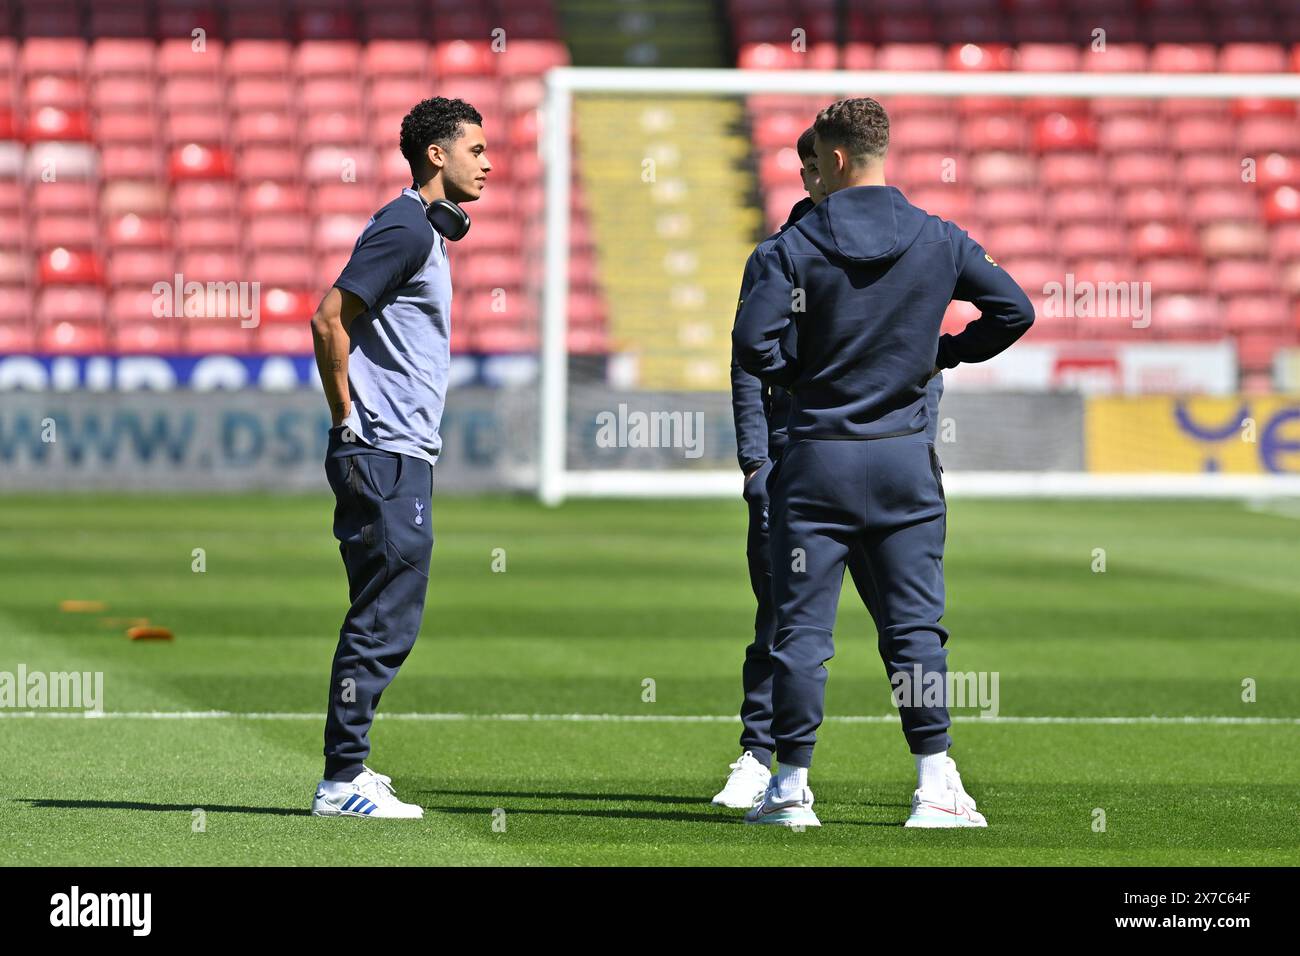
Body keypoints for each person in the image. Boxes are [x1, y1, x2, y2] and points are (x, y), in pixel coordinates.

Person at [733, 97, 1034, 828]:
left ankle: (789, 787)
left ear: (833, 159)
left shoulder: (790, 249)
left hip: (815, 463)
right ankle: (935, 783)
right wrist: (940, 354)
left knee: (802, 633)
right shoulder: (938, 238)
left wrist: (807, 375)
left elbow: (752, 346)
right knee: (915, 632)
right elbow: (1014, 311)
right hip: (903, 462)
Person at [714, 125, 945, 810]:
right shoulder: (786, 253)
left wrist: (915, 431)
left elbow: (919, 361)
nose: (810, 177)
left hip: (871, 460)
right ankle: (761, 757)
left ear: (832, 165)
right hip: (799, 464)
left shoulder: (895, 250)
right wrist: (758, 463)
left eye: (814, 165)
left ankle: (915, 768)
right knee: (786, 623)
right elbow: (746, 362)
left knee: (899, 627)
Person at [307, 97, 490, 818]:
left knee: (383, 615)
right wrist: (348, 419)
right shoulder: (406, 228)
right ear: (436, 155)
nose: (487, 161)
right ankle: (340, 780)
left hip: (396, 452)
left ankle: (349, 769)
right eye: (475, 148)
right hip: (382, 450)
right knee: (384, 620)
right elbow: (327, 318)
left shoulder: (423, 232)